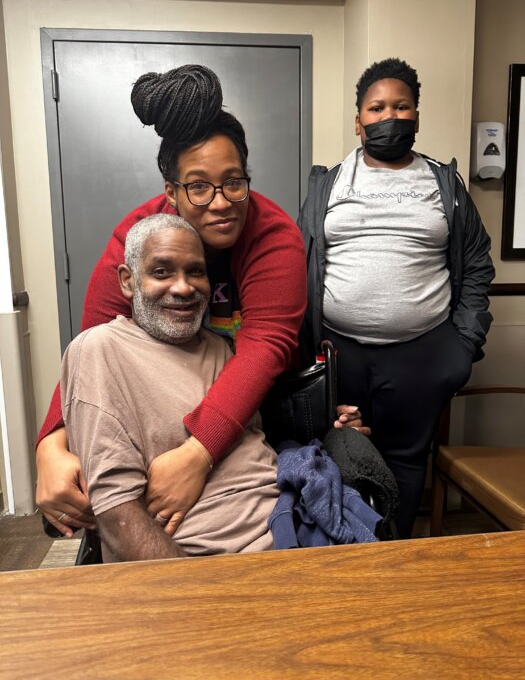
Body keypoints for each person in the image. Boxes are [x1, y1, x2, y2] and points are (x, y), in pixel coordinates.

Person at [36, 63, 365, 538]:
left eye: (234, 181)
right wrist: (51, 444)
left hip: (260, 409)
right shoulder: (139, 236)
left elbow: (264, 348)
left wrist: (198, 454)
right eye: (198, 186)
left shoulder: (273, 236)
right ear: (170, 192)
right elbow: (90, 345)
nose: (220, 201)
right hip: (167, 407)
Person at [298, 57, 495, 538]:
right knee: (340, 453)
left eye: (401, 106)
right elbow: (299, 258)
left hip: (423, 354)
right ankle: (348, 561)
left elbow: (476, 263)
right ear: (358, 121)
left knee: (406, 461)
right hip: (340, 354)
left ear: (417, 117)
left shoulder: (443, 184)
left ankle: (396, 558)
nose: (389, 116)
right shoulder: (330, 182)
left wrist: (462, 346)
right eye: (377, 107)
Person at [62, 215, 279, 562]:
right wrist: (188, 592)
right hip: (206, 563)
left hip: (290, 529)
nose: (183, 287)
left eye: (195, 271)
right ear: (128, 281)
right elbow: (117, 513)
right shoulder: (99, 349)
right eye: (162, 272)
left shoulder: (220, 348)